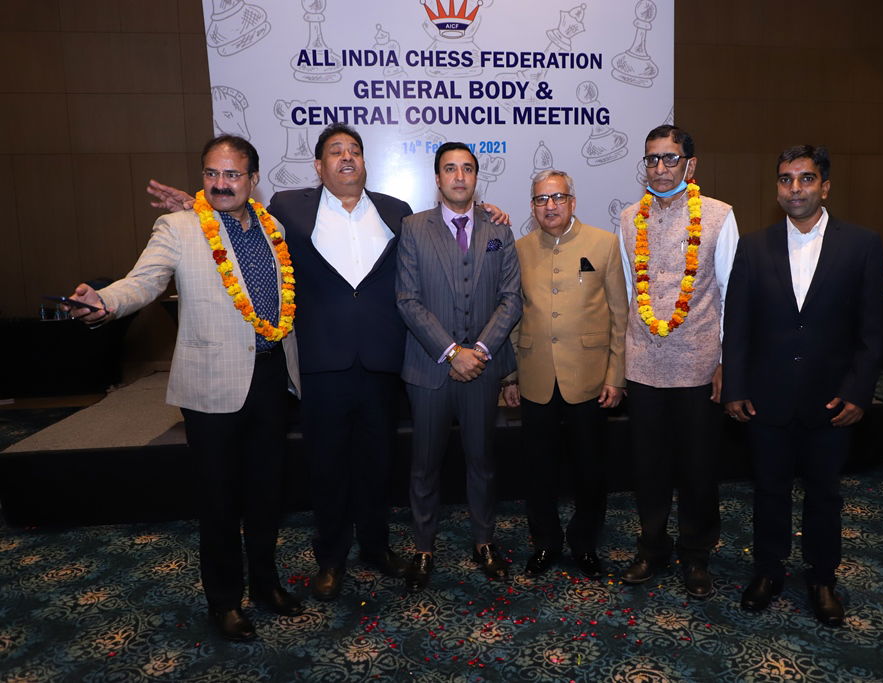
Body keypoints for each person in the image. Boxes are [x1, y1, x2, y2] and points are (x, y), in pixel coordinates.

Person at [147, 124, 413, 600]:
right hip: (319, 362)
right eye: (335, 151)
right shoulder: (289, 209)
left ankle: (376, 546)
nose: (346, 157)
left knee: (378, 463)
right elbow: (232, 220)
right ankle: (331, 557)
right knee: (326, 465)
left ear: (364, 162)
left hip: (379, 360)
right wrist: (193, 206)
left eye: (354, 150)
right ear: (318, 166)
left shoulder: (397, 211)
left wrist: (485, 213)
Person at [67, 135, 303, 642]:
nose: (220, 184)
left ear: (253, 180)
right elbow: (144, 280)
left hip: (271, 378)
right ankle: (225, 601)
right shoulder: (178, 227)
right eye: (211, 174)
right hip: (212, 385)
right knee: (219, 500)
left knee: (267, 494)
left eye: (232, 175)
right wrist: (104, 302)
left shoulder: (274, 228)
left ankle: (266, 585)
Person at [723, 145, 883, 627]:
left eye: (806, 178)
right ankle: (768, 571)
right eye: (786, 179)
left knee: (824, 494)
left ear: (825, 187)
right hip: (766, 397)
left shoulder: (861, 244)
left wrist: (858, 393)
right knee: (768, 490)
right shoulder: (754, 246)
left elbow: (872, 330)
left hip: (832, 400)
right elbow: (738, 325)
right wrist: (735, 387)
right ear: (777, 188)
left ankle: (822, 578)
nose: (795, 188)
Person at [616, 125, 739, 598]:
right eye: (652, 159)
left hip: (699, 366)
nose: (660, 168)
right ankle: (652, 547)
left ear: (690, 164)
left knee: (698, 467)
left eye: (670, 158)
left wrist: (726, 361)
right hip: (643, 365)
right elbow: (631, 292)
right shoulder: (629, 218)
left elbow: (730, 294)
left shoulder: (719, 215)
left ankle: (696, 553)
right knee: (647, 466)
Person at [396, 142, 522, 592]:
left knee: (482, 461)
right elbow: (407, 300)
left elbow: (511, 299)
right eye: (450, 168)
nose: (459, 176)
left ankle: (484, 541)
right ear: (437, 178)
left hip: (482, 370)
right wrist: (453, 352)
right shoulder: (413, 228)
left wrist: (480, 351)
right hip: (429, 370)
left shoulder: (499, 229)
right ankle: (423, 547)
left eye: (467, 168)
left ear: (476, 177)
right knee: (424, 465)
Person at [501, 170, 628, 579]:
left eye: (557, 198)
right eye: (541, 199)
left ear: (572, 202)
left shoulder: (604, 244)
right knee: (538, 469)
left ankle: (585, 543)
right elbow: (513, 316)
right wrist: (510, 376)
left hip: (590, 379)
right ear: (533, 206)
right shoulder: (519, 249)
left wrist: (616, 375)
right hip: (534, 375)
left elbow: (620, 316)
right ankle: (546, 542)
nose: (550, 206)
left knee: (590, 469)